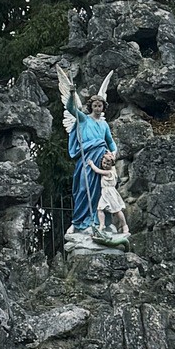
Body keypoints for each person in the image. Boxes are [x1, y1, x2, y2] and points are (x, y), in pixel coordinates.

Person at [57, 67, 129, 248]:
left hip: (101, 160)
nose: (98, 108)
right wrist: (72, 94)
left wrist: (112, 154)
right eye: (95, 105)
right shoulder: (83, 119)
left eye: (101, 106)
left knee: (101, 191)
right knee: (82, 189)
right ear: (91, 107)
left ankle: (99, 223)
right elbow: (71, 108)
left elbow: (111, 143)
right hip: (86, 160)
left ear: (104, 107)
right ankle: (79, 222)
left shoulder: (104, 124)